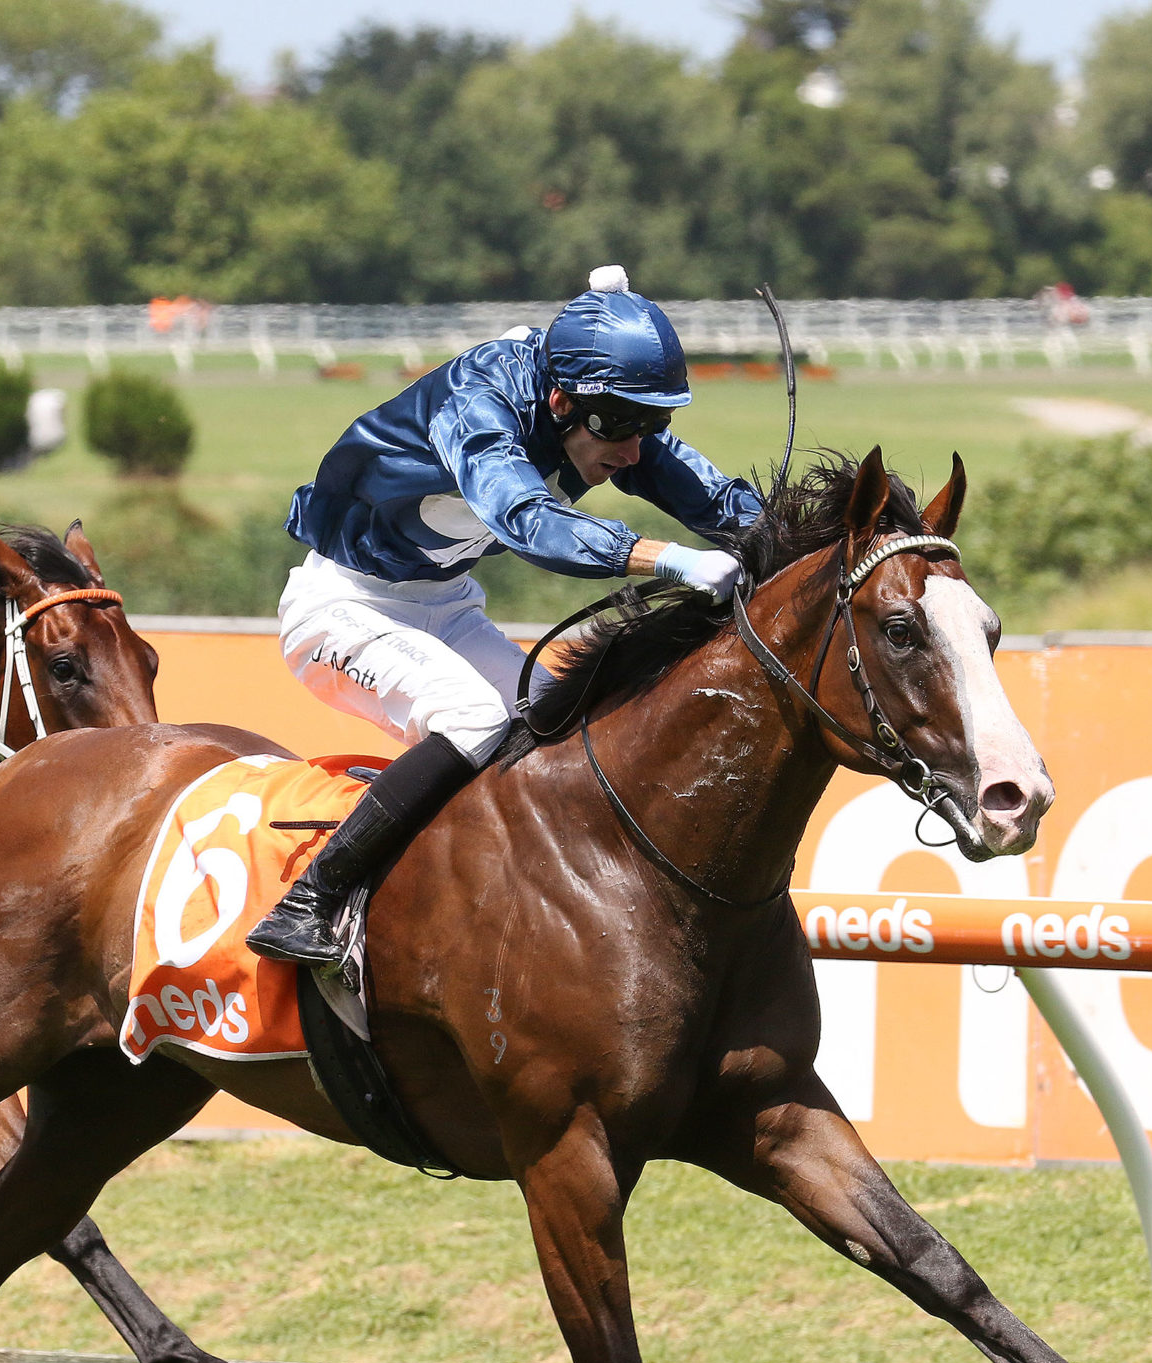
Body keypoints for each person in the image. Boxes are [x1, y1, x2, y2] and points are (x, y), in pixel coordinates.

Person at [244, 265, 765, 970]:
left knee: (563, 728)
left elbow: (717, 501)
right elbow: (527, 521)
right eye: (622, 425)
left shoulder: (601, 411)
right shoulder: (478, 402)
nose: (634, 449)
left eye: (653, 423)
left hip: (446, 607)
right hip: (339, 609)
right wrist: (667, 558)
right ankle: (311, 899)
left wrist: (803, 538)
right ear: (559, 400)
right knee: (475, 719)